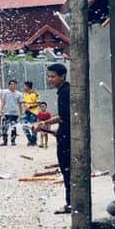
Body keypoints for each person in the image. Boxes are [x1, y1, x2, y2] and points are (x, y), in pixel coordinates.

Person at [35, 63, 71, 214]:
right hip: (65, 135)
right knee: (67, 170)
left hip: (67, 137)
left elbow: (63, 117)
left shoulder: (65, 92)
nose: (50, 79)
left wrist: (44, 123)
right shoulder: (64, 91)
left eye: (53, 76)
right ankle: (71, 203)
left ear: (62, 76)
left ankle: (71, 204)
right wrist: (45, 125)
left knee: (67, 170)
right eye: (48, 76)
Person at [0, 79, 23, 146]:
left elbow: (20, 105)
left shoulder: (19, 94)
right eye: (11, 84)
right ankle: (5, 141)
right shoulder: (5, 92)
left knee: (13, 128)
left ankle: (13, 141)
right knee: (4, 127)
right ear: (8, 85)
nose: (13, 86)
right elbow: (3, 102)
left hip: (15, 113)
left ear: (16, 85)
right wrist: (0, 110)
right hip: (6, 113)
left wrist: (21, 114)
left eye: (14, 84)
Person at [21, 80, 40, 146]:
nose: (23, 87)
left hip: (33, 113)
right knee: (24, 126)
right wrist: (24, 107)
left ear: (28, 87)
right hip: (26, 112)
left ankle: (34, 140)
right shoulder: (24, 94)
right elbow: (23, 102)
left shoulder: (35, 94)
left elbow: (38, 103)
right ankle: (30, 139)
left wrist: (31, 106)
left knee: (33, 126)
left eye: (24, 86)